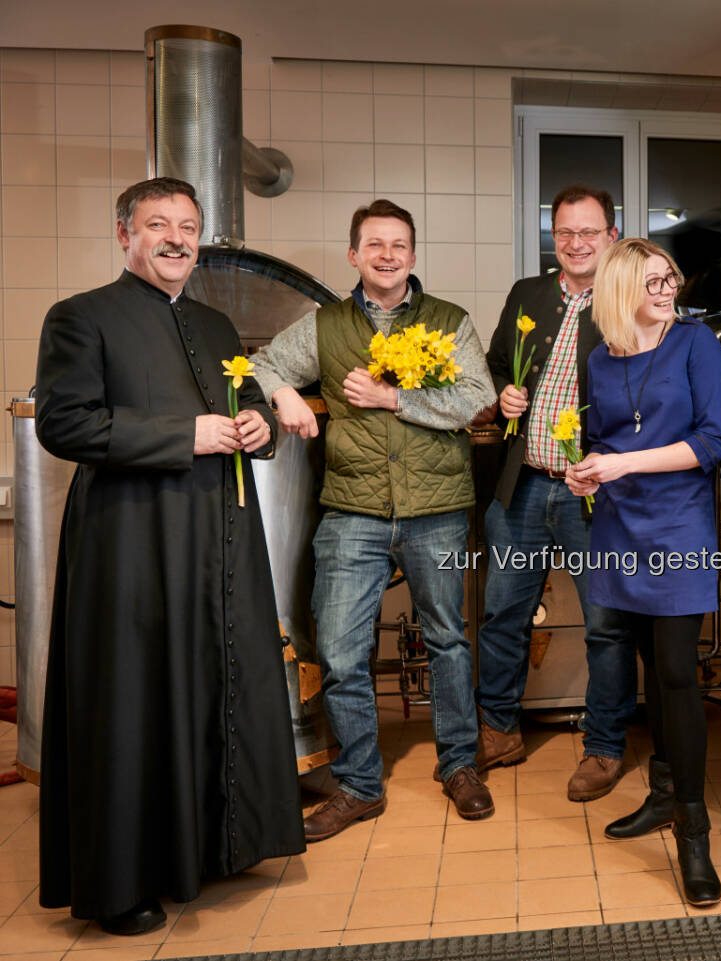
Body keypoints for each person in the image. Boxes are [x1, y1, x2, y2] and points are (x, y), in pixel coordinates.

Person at [36, 177, 304, 935]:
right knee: (133, 697)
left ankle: (212, 846)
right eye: (159, 224)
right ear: (125, 233)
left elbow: (243, 403)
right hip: (130, 544)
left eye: (188, 225)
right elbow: (65, 424)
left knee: (209, 681)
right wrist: (186, 437)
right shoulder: (80, 317)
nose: (176, 238)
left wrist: (259, 427)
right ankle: (122, 882)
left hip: (215, 537)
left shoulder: (218, 325)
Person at [249, 199, 496, 839]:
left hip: (437, 510)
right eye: (374, 244)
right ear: (354, 254)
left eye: (399, 245)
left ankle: (460, 765)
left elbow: (477, 398)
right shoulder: (324, 325)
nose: (388, 255)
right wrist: (282, 396)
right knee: (338, 649)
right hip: (351, 510)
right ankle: (359, 784)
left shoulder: (449, 321)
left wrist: (394, 397)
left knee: (447, 639)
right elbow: (265, 363)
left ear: (413, 256)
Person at [565, 238, 721, 905]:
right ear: (621, 288)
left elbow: (712, 442)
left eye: (671, 280)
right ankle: (662, 795)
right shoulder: (600, 359)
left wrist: (624, 464)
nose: (667, 291)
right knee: (644, 668)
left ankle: (694, 829)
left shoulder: (697, 344)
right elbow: (604, 438)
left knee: (676, 671)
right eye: (654, 281)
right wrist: (588, 468)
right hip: (617, 526)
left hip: (678, 524)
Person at [476, 184, 632, 802]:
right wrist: (500, 394)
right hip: (520, 486)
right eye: (564, 232)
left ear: (611, 237)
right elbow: (491, 363)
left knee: (605, 624)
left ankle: (605, 746)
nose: (575, 243)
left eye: (588, 232)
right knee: (502, 618)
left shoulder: (626, 298)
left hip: (591, 496)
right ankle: (498, 729)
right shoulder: (528, 293)